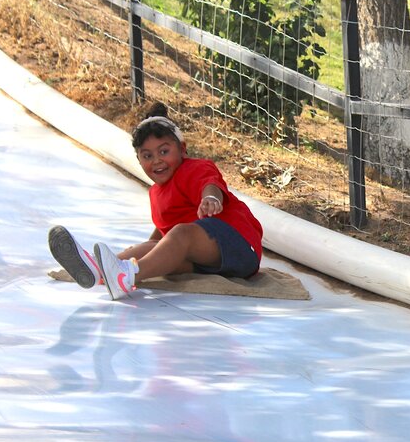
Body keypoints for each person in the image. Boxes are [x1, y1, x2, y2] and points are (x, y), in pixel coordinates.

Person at [48, 102, 264, 301]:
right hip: (208, 263)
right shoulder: (156, 193)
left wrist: (210, 198)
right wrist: (150, 248)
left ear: (182, 148)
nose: (157, 160)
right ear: (139, 160)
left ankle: (125, 276)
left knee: (181, 233)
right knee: (152, 247)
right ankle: (98, 271)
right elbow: (163, 235)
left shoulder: (193, 168)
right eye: (147, 156)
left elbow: (210, 184)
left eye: (164, 151)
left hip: (239, 247)